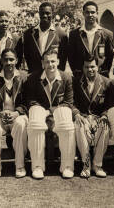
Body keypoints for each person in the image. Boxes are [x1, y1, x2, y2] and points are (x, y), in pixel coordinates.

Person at [25, 49, 75, 179]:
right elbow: (31, 101)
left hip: (58, 112)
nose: (50, 64)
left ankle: (67, 166)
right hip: (41, 112)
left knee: (65, 116)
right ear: (42, 63)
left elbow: (69, 102)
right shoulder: (33, 78)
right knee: (35, 116)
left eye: (53, 61)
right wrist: (44, 112)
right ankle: (37, 166)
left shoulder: (66, 77)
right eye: (47, 62)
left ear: (58, 61)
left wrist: (51, 111)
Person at [0, 48, 28, 178]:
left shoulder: (24, 78)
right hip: (0, 116)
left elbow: (29, 101)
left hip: (18, 116)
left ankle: (20, 165)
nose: (9, 62)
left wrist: (17, 112)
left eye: (11, 59)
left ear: (16, 60)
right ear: (1, 61)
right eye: (6, 59)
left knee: (21, 124)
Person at [72, 55, 110, 178]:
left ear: (97, 67)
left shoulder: (106, 82)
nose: (90, 70)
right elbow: (70, 102)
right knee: (79, 125)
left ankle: (97, 165)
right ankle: (86, 164)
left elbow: (110, 103)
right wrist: (77, 114)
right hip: (82, 116)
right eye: (87, 67)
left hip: (99, 117)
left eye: (93, 66)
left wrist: (104, 116)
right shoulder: (76, 81)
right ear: (83, 68)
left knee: (104, 126)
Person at [16, 2, 68, 73]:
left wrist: (59, 75)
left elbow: (63, 59)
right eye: (42, 13)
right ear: (39, 14)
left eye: (47, 13)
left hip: (53, 76)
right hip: (34, 76)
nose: (45, 15)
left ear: (52, 14)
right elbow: (26, 55)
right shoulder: (28, 33)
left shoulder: (61, 34)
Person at [67, 1, 114, 78]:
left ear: (97, 13)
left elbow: (109, 57)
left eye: (93, 12)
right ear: (83, 13)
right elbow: (71, 56)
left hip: (100, 76)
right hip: (81, 77)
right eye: (87, 12)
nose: (90, 15)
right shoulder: (74, 34)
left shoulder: (107, 34)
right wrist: (76, 72)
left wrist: (104, 72)